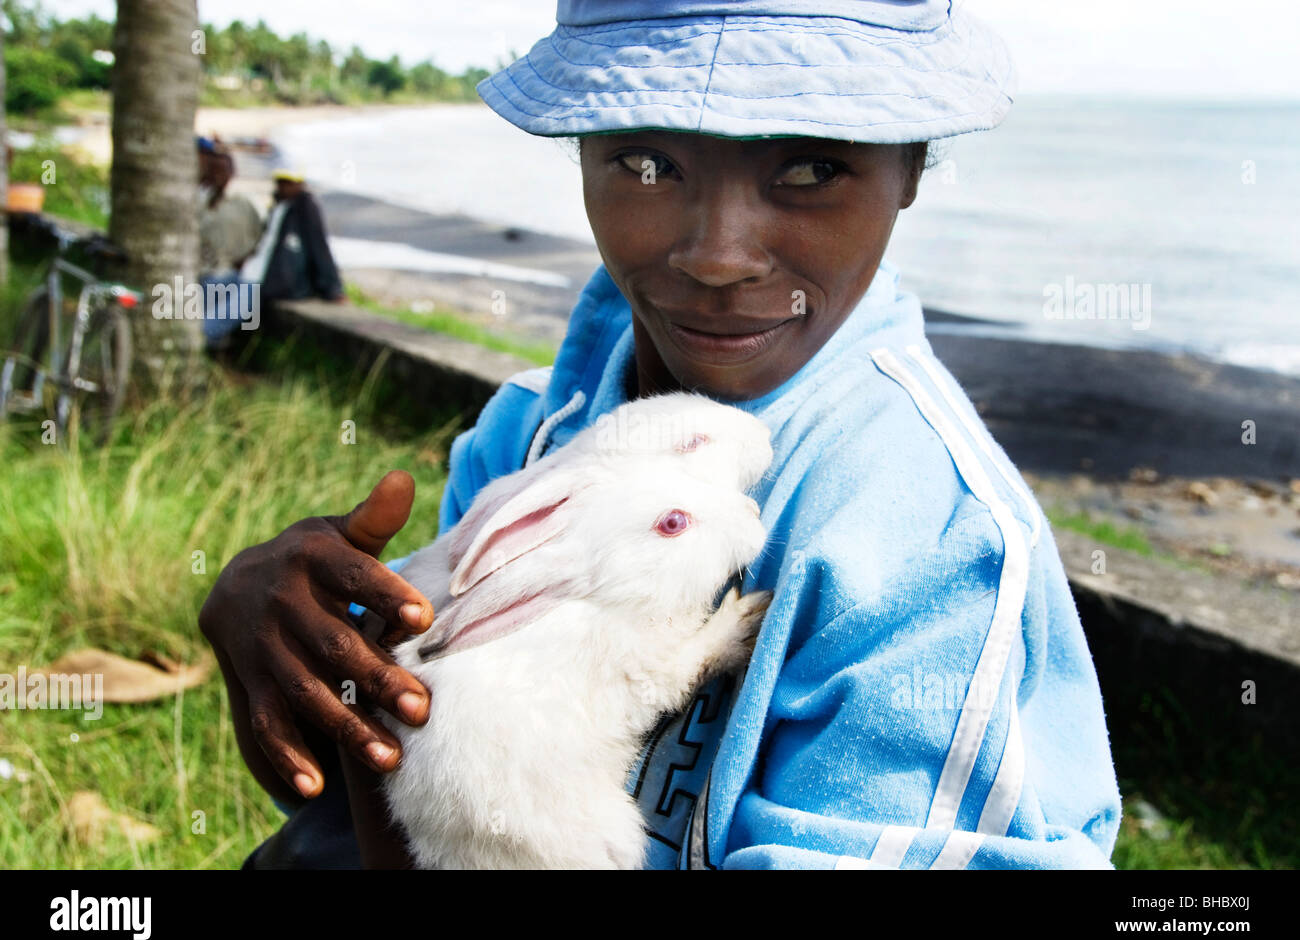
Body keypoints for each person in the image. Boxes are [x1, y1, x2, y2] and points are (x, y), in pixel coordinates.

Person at [201, 0, 1122, 870]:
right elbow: (401, 823)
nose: (719, 256)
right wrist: (328, 681)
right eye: (647, 164)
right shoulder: (521, 440)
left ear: (911, 166)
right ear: (583, 152)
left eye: (811, 168)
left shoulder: (928, 545)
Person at [239, 170, 346, 305]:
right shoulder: (278, 206)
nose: (284, 187)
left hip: (271, 282)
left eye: (288, 183)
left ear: (300, 184)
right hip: (251, 274)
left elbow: (319, 248)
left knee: (226, 313)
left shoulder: (305, 207)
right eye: (281, 183)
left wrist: (333, 289)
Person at [198, 147, 264, 347]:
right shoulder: (199, 202)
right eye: (215, 170)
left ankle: (204, 334)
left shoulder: (241, 204)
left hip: (227, 274)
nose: (219, 176)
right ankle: (202, 335)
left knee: (244, 293)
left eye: (224, 171)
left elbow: (258, 239)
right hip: (203, 276)